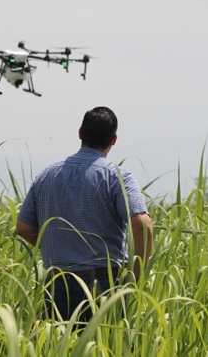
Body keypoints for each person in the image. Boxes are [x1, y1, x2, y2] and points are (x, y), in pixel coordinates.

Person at [16, 106, 153, 323]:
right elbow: (142, 224)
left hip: (57, 281)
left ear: (80, 133)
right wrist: (135, 277)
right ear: (114, 140)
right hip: (104, 283)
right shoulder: (118, 177)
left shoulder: (46, 175)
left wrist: (59, 244)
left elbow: (23, 228)